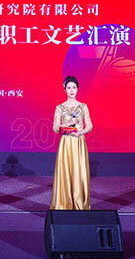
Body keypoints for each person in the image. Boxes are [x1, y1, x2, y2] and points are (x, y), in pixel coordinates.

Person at [50, 75, 93, 210]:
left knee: (78, 172)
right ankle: (64, 204)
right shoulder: (60, 108)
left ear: (77, 89)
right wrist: (68, 123)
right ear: (65, 90)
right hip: (66, 143)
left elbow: (89, 126)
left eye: (74, 87)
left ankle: (80, 204)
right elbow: (55, 128)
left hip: (79, 142)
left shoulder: (83, 106)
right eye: (69, 88)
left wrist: (80, 133)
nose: (72, 90)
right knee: (65, 172)